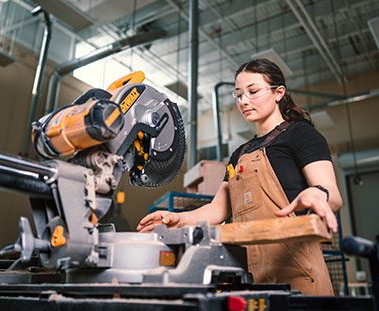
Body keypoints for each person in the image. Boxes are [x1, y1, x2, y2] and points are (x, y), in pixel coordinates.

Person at [137, 58, 343, 296]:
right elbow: (217, 210)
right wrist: (175, 219)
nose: (244, 101)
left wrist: (318, 194)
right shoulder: (239, 154)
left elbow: (332, 193)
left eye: (253, 91)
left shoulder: (301, 134)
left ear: (279, 93)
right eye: (238, 95)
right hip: (251, 277)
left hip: (299, 275)